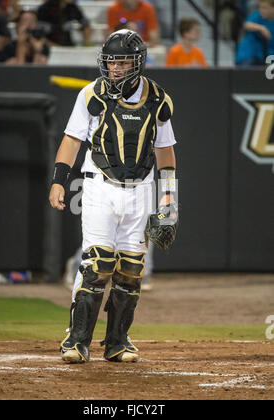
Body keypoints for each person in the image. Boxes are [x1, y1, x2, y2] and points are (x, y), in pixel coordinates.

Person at [49, 29, 177, 364]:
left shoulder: (158, 100)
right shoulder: (91, 94)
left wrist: (169, 201)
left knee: (132, 269)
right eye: (111, 62)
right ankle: (76, 341)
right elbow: (72, 140)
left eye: (122, 61)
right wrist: (59, 180)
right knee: (97, 263)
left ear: (138, 63)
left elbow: (165, 152)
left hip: (141, 191)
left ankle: (117, 341)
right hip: (99, 185)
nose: (115, 68)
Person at [235, 0, 274, 65]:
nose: (261, 10)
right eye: (260, 7)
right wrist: (261, 28)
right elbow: (247, 25)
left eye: (265, 8)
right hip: (249, 57)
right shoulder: (257, 15)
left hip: (265, 58)